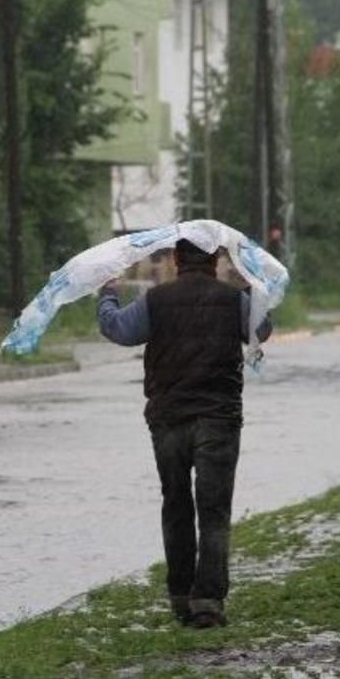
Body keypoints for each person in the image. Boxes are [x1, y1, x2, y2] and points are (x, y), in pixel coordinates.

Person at [97, 238, 272, 629]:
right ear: (215, 260)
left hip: (169, 419)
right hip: (219, 419)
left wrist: (107, 292)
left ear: (176, 260)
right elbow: (262, 329)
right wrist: (247, 283)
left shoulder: (156, 300)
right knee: (214, 511)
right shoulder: (232, 300)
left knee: (175, 505)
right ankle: (207, 601)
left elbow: (117, 329)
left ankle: (179, 596)